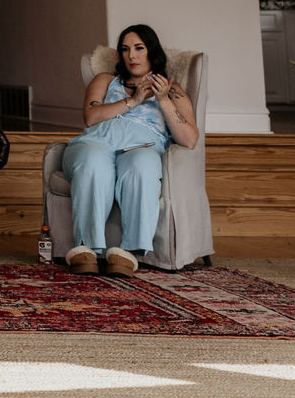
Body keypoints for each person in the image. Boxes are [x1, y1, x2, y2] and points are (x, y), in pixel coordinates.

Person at [60, 24, 198, 277]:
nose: (131, 56)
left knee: (143, 167)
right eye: (125, 49)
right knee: (93, 163)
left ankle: (128, 253)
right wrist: (134, 101)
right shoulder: (105, 80)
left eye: (138, 48)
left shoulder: (173, 90)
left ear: (151, 51)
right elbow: (91, 117)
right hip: (96, 144)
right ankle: (87, 248)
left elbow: (189, 139)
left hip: (142, 148)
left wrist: (163, 99)